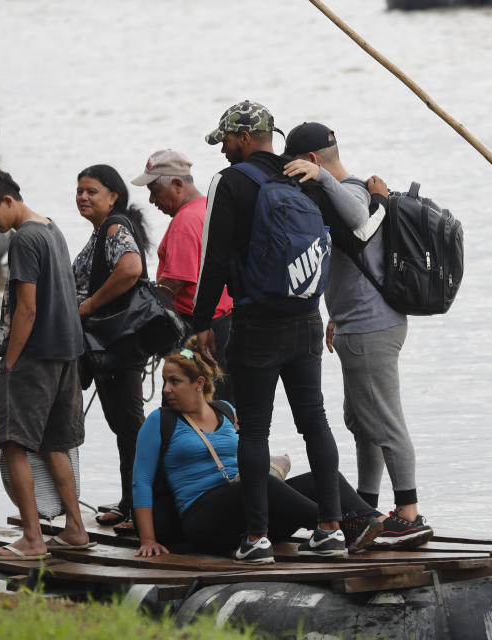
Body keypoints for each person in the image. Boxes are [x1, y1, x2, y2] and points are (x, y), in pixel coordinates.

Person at [192, 100, 345, 564]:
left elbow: (214, 257)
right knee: (314, 419)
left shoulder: (231, 181)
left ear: (242, 138)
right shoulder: (301, 174)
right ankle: (331, 528)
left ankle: (256, 538)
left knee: (254, 429)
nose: (223, 153)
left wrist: (201, 322)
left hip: (256, 321)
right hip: (305, 317)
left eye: (225, 143)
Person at [132, 341, 433, 561]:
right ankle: (342, 526)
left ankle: (382, 524)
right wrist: (147, 539)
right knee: (260, 483)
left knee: (321, 477)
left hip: (250, 513)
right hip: (203, 519)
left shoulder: (224, 411)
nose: (166, 389)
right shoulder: (159, 421)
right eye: (165, 382)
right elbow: (141, 481)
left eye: (175, 381)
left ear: (198, 383)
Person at [282, 122, 434, 547]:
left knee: (384, 421)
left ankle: (409, 513)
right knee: (362, 423)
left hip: (372, 326)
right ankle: (367, 508)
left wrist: (326, 178)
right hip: (358, 322)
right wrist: (335, 314)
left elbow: (360, 221)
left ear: (310, 161)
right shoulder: (344, 190)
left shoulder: (347, 189)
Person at [0, 162, 93, 560]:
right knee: (56, 444)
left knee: (14, 444)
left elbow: (27, 310)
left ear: (7, 199)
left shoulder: (24, 240)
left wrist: (9, 365)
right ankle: (75, 529)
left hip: (34, 357)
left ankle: (33, 539)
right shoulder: (51, 228)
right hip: (67, 353)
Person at [72, 164, 152, 528]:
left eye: (91, 191)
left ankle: (141, 509)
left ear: (113, 195)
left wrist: (87, 306)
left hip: (117, 342)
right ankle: (130, 502)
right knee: (125, 426)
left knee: (131, 427)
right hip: (113, 343)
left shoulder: (115, 227)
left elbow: (131, 268)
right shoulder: (107, 230)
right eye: (79, 191)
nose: (83, 197)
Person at [130, 149, 234, 402]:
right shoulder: (211, 207)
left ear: (177, 185)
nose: (153, 200)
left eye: (155, 191)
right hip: (227, 323)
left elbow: (173, 283)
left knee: (183, 408)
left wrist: (140, 316)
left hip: (196, 332)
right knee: (222, 408)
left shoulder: (184, 222)